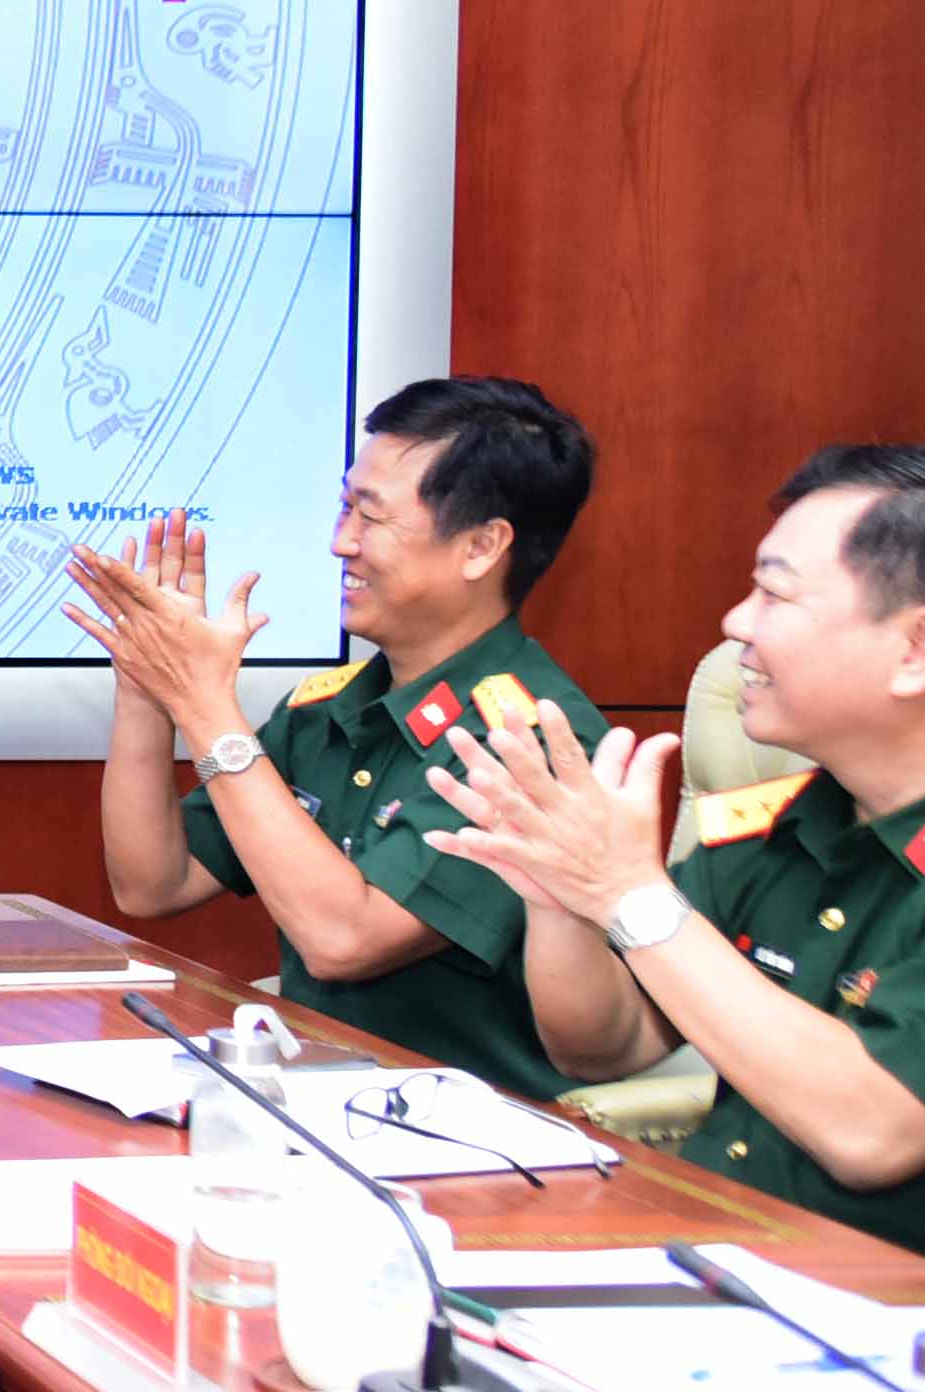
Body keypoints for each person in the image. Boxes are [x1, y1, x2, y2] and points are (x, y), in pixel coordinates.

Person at [428, 447, 925, 1248]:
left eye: (774, 595)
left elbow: (873, 1131)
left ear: (914, 649)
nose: (736, 624)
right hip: (722, 1260)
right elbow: (603, 1046)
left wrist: (631, 897)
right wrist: (560, 897)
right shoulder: (774, 828)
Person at [65, 377, 602, 1095]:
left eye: (371, 517)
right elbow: (152, 883)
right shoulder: (329, 707)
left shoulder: (528, 741)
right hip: (312, 1100)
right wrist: (146, 682)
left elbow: (344, 940)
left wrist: (204, 703)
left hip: (460, 1132)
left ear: (481, 546)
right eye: (345, 507)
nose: (340, 542)